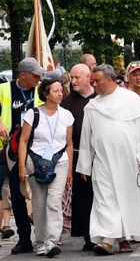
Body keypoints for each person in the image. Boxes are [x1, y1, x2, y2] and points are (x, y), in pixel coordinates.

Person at [76, 64, 140, 255]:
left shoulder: (131, 100)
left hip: (127, 160)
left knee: (124, 199)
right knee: (105, 200)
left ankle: (123, 238)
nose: (94, 84)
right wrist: (84, 166)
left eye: (97, 81)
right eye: (93, 81)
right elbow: (86, 139)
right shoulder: (93, 106)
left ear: (110, 80)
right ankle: (108, 241)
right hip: (102, 161)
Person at [18, 79, 74, 257]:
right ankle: (40, 242)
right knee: (39, 203)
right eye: (56, 91)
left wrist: (70, 169)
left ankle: (52, 241)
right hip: (35, 161)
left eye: (61, 90)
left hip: (60, 161)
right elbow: (23, 141)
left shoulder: (66, 115)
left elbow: (69, 143)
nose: (60, 94)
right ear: (45, 93)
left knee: (54, 200)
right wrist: (21, 166)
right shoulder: (32, 114)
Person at [0, 57, 45, 254]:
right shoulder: (3, 89)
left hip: (37, 149)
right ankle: (24, 239)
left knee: (41, 194)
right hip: (10, 149)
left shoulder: (42, 90)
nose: (39, 77)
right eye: (35, 75)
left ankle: (46, 238)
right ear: (23, 75)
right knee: (17, 196)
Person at [60, 64, 97, 251]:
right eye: (71, 77)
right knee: (82, 196)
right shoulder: (67, 102)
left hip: (98, 155)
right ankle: (88, 236)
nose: (73, 81)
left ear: (88, 77)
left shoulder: (99, 98)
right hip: (76, 154)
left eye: (77, 77)